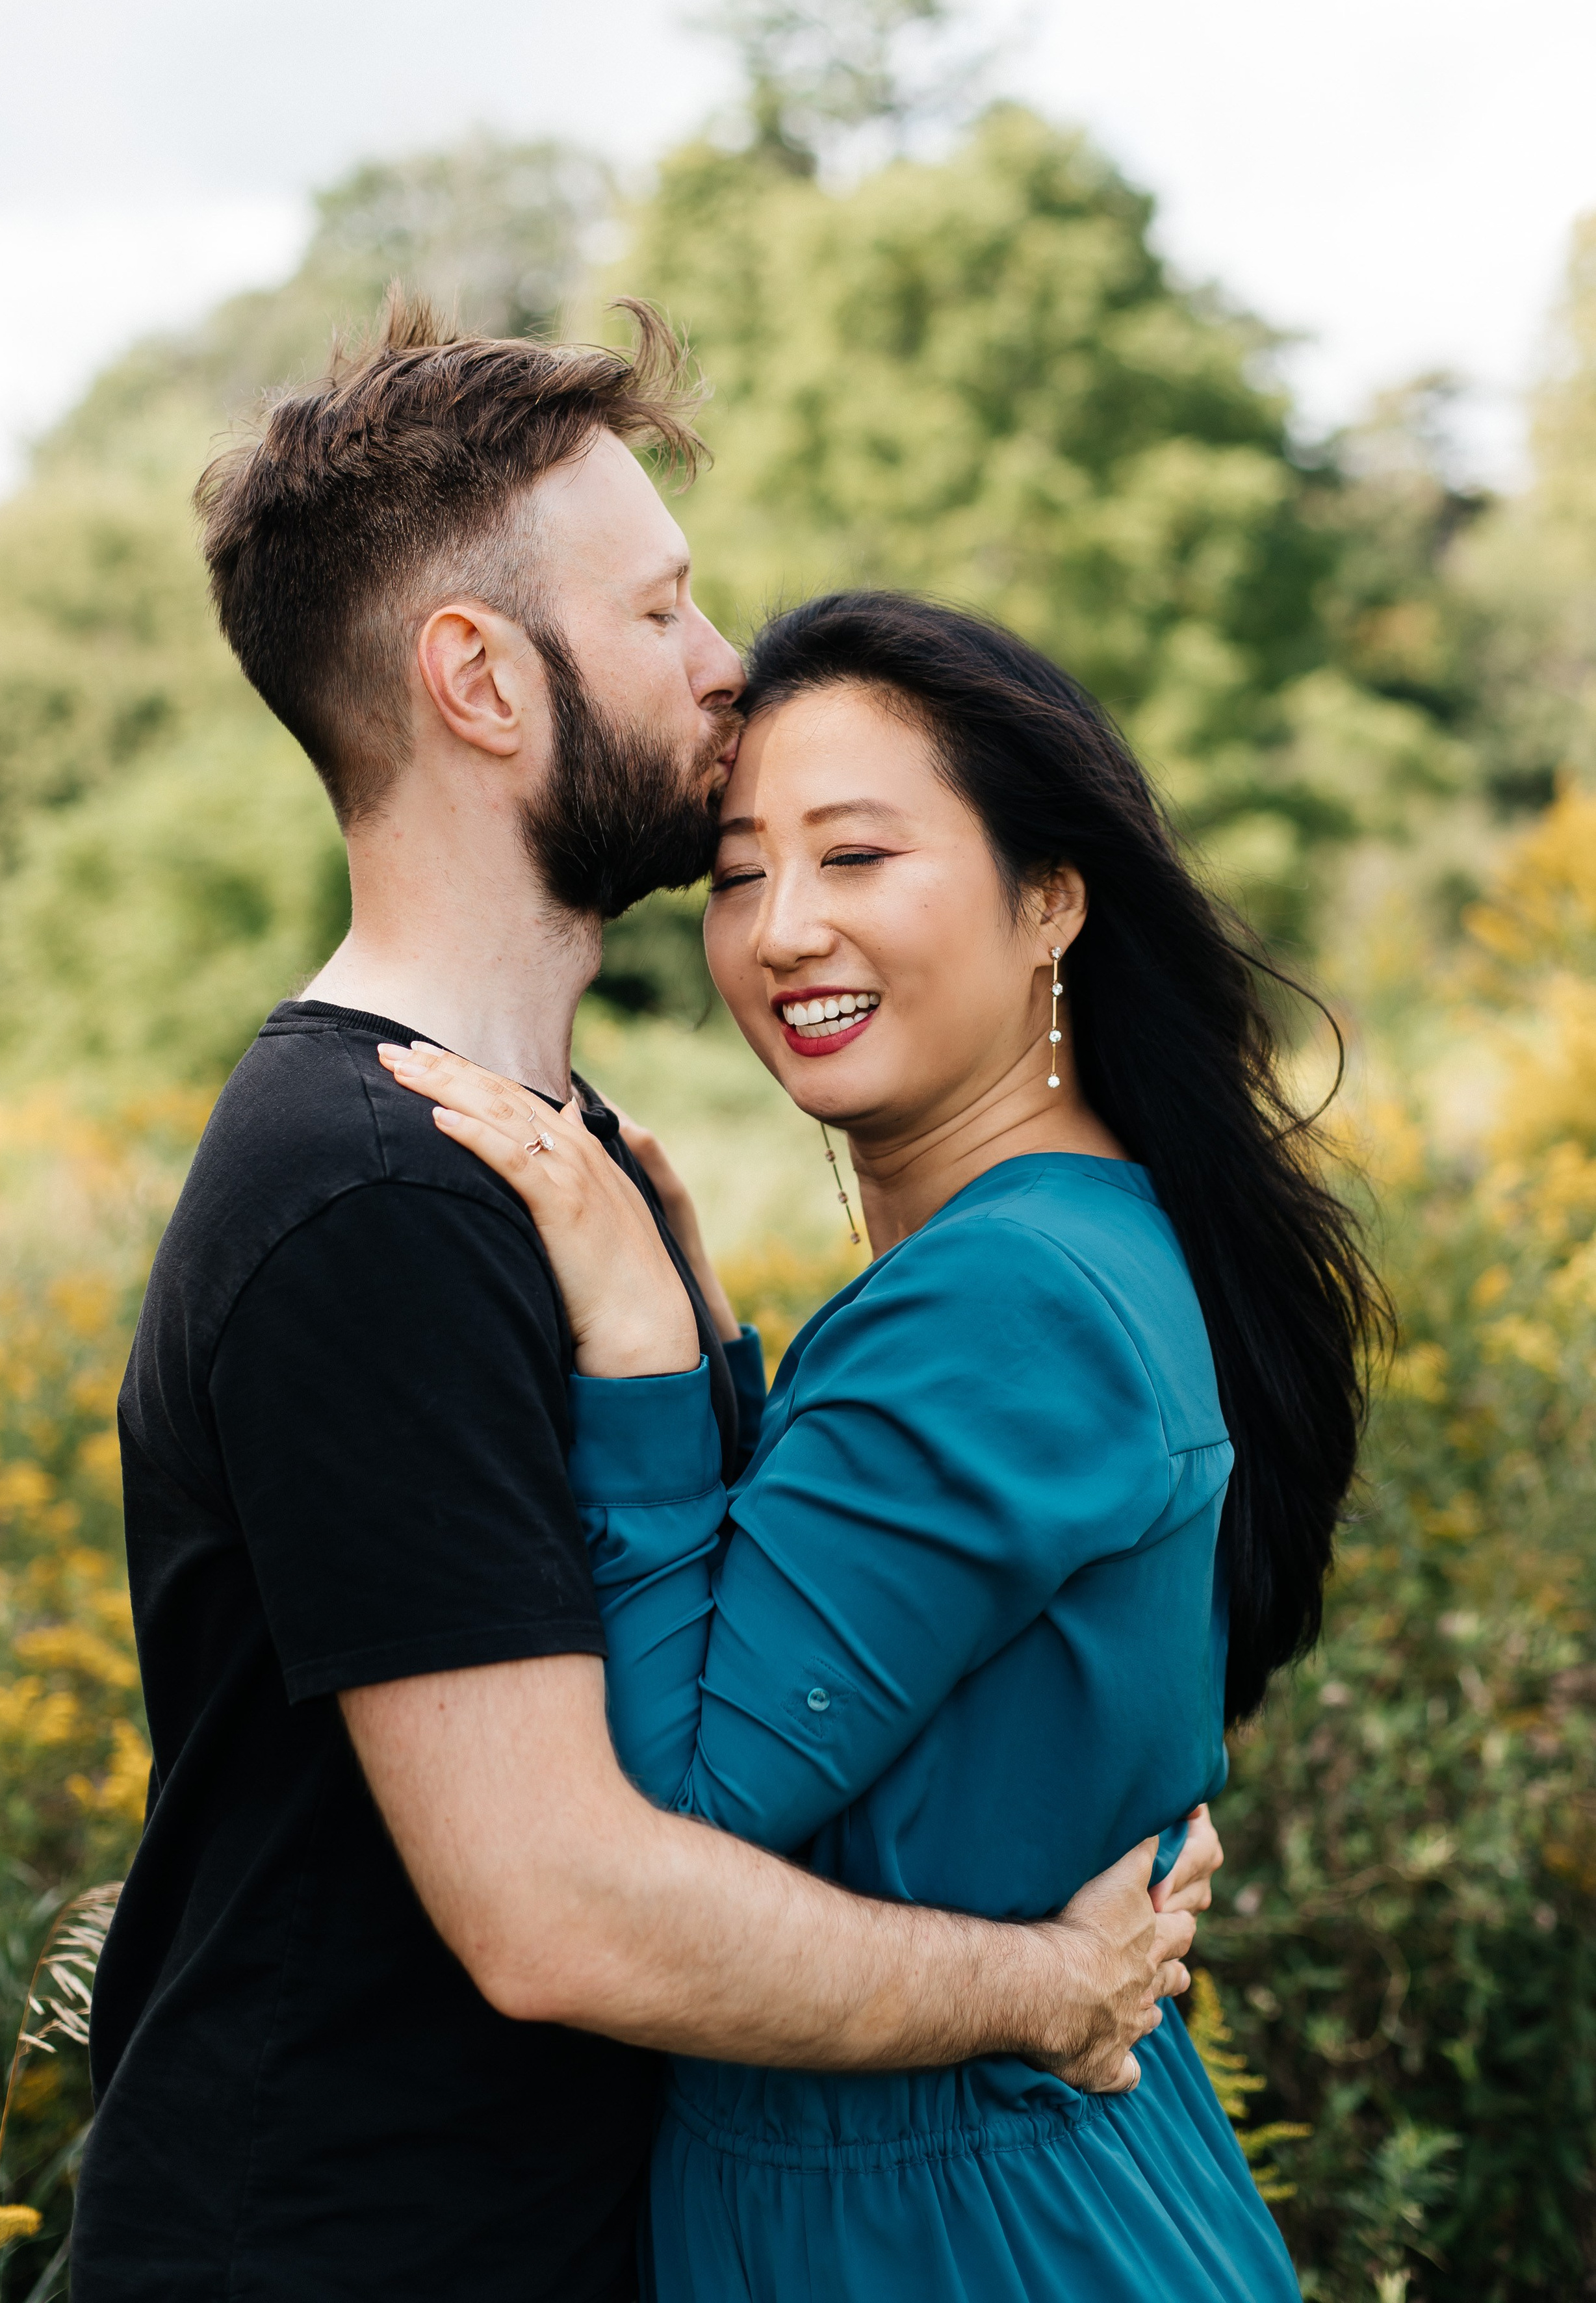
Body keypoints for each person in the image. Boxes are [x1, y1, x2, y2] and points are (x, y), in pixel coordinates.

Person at [74, 305, 1216, 2303]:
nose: (724, 665)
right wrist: (1044, 1986)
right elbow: (562, 1911)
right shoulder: (372, 1190)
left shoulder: (546, 1146)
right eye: (664, 609)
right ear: (479, 679)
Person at [380, 590, 1385, 2301]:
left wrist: (641, 1357)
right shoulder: (1073, 1239)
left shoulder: (1009, 1295)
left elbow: (678, 1817)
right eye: (740, 875)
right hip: (974, 2182)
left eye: (856, 856)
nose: (783, 931)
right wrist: (712, 1345)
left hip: (951, 2229)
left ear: (1051, 897)